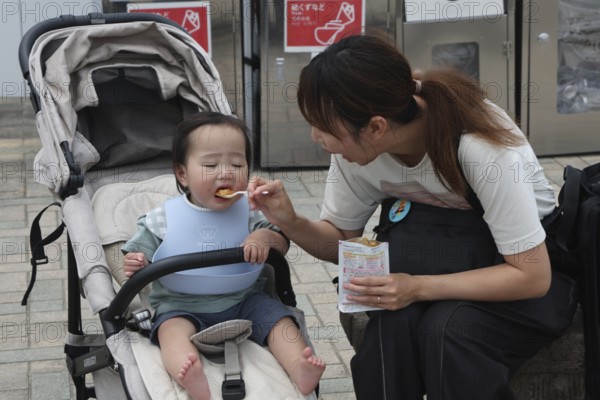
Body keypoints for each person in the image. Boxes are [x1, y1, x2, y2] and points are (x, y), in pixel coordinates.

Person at [247, 34, 578, 399]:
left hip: (527, 280)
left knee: (448, 330)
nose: (317, 138)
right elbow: (341, 238)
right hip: (443, 261)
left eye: (325, 127)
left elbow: (532, 276)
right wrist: (290, 221)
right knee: (392, 327)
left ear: (375, 127)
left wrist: (417, 287)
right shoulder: (355, 153)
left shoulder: (479, 149)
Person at [122, 111, 325, 400]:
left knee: (280, 321)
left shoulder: (251, 212)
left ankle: (299, 367)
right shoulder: (164, 218)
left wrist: (263, 237)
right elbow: (137, 250)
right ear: (183, 174)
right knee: (170, 331)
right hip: (182, 304)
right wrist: (136, 261)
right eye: (211, 164)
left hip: (244, 299)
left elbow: (280, 243)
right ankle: (191, 376)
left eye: (237, 163)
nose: (226, 172)